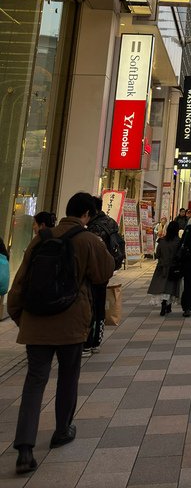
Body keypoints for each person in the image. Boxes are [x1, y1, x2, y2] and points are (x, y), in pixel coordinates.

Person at [7, 191, 114, 474]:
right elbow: (104, 273)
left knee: (34, 382)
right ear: (88, 215)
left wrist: (21, 316)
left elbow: (19, 283)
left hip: (36, 320)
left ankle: (24, 447)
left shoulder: (41, 239)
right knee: (68, 377)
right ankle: (62, 429)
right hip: (71, 322)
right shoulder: (89, 240)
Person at [84, 196, 124, 355]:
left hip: (94, 271)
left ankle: (88, 342)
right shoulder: (111, 222)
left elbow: (92, 252)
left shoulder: (95, 227)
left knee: (90, 306)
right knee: (99, 306)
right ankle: (97, 341)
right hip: (106, 270)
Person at [147, 220, 182, 315]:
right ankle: (168, 306)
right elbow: (180, 255)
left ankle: (163, 305)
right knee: (171, 287)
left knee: (162, 286)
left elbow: (157, 254)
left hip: (162, 267)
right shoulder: (179, 242)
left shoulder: (162, 241)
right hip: (173, 267)